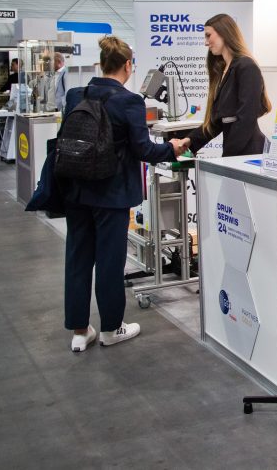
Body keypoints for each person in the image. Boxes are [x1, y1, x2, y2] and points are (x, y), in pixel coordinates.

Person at [63, 36, 187, 352]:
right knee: (109, 261)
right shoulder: (129, 101)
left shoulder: (75, 95)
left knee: (78, 259)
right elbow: (143, 149)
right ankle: (111, 328)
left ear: (101, 63)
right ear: (128, 65)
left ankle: (80, 331)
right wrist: (172, 148)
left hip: (75, 189)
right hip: (111, 193)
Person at [183, 13, 271, 157]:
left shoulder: (246, 66)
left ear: (224, 32)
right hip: (236, 153)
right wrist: (189, 141)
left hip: (250, 154)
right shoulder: (223, 71)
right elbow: (216, 122)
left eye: (208, 35)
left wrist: (227, 158)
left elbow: (246, 119)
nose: (206, 43)